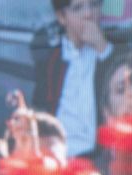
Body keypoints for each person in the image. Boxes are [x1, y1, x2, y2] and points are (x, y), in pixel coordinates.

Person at [31, 0, 114, 157]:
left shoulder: (110, 50)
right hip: (59, 152)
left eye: (94, 4)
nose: (89, 14)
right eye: (78, 8)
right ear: (62, 17)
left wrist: (102, 47)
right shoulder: (52, 59)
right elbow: (40, 107)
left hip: (97, 155)